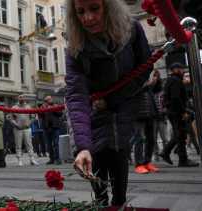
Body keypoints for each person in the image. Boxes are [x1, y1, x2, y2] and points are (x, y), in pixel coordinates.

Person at [65, 0, 152, 206]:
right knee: (97, 157)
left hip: (123, 105)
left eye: (94, 8)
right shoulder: (75, 46)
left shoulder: (132, 29)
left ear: (109, 7)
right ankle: (102, 202)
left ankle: (119, 202)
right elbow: (76, 95)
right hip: (93, 112)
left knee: (119, 153)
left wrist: (113, 98)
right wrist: (82, 147)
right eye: (80, 12)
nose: (87, 18)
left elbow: (145, 67)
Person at [159, 63, 199, 167]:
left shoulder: (172, 80)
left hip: (174, 111)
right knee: (180, 134)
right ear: (175, 70)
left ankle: (175, 156)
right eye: (181, 69)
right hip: (176, 112)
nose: (183, 71)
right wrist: (183, 112)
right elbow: (175, 98)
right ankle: (179, 158)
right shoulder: (175, 81)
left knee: (180, 134)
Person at [12, 95, 39, 166]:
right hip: (17, 129)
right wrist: (16, 124)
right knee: (18, 145)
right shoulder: (14, 107)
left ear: (24, 99)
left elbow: (33, 116)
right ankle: (19, 160)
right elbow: (11, 118)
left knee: (29, 144)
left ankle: (32, 159)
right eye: (20, 97)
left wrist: (29, 123)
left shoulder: (28, 107)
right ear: (18, 98)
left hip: (27, 128)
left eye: (23, 97)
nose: (21, 98)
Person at [42, 96, 63, 165]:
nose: (48, 101)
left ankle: (58, 159)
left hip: (55, 128)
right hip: (46, 128)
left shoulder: (56, 105)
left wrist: (53, 109)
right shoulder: (43, 107)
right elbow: (40, 116)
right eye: (46, 100)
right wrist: (43, 109)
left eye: (49, 99)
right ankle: (51, 159)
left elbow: (60, 114)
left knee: (56, 144)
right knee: (49, 145)